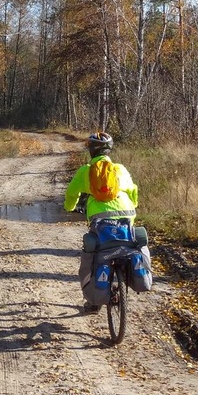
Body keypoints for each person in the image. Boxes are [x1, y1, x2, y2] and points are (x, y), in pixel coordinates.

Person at [64, 132, 138, 313]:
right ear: (109, 150)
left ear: (91, 150)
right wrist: (133, 207)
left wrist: (69, 207)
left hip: (100, 220)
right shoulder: (120, 169)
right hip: (126, 216)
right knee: (128, 246)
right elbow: (133, 191)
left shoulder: (85, 171)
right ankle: (127, 277)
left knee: (95, 255)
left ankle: (94, 301)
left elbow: (71, 194)